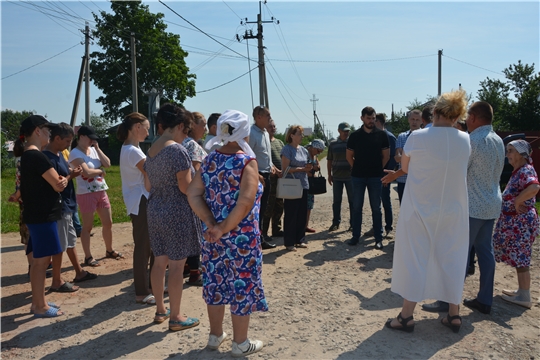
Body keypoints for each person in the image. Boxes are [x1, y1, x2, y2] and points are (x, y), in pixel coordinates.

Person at [382, 89, 471, 333]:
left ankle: (406, 316)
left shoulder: (417, 137)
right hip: (454, 209)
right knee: (452, 257)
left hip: (420, 208)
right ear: (456, 114)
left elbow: (407, 168)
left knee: (415, 259)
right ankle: (454, 314)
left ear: (435, 112)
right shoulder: (465, 139)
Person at [188, 109, 267, 357]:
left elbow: (193, 193)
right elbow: (244, 202)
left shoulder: (210, 159)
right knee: (240, 285)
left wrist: (214, 225)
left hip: (213, 237)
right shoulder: (247, 162)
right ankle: (240, 343)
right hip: (241, 238)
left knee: (216, 281)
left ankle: (215, 335)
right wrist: (223, 227)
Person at [423, 101, 505, 315]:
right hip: (491, 203)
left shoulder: (472, 142)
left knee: (453, 254)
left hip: (471, 206)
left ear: (475, 118)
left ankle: (445, 300)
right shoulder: (498, 141)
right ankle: (485, 299)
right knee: (486, 253)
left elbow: (458, 172)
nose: (466, 120)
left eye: (468, 117)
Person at [145, 103, 201, 331]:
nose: (185, 135)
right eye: (186, 130)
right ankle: (176, 316)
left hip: (155, 208)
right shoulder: (177, 150)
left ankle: (161, 309)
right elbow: (185, 187)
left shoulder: (151, 150)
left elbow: (148, 184)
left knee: (160, 262)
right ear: (179, 126)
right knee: (177, 266)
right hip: (176, 210)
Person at [16, 115, 66, 317]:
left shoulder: (27, 156)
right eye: (47, 130)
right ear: (37, 131)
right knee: (41, 262)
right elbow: (57, 184)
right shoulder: (37, 156)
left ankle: (39, 302)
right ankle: (39, 306)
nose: (50, 133)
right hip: (42, 216)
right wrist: (61, 181)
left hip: (36, 215)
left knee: (39, 261)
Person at [43, 123, 98, 291]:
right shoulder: (46, 157)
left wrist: (72, 171)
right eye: (67, 140)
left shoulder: (58, 154)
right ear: (57, 138)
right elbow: (58, 183)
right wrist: (72, 174)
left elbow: (65, 174)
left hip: (67, 205)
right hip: (58, 206)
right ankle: (56, 281)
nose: (69, 144)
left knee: (70, 241)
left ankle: (79, 272)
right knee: (60, 244)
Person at [493, 140, 539, 309]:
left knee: (522, 258)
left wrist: (518, 201)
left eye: (511, 151)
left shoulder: (525, 170)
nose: (508, 154)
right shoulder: (519, 171)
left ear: (520, 153)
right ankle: (521, 291)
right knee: (520, 257)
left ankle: (525, 295)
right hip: (516, 223)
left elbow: (534, 186)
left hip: (521, 223)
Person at [69, 125, 123, 267]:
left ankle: (109, 250)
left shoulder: (93, 149)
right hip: (86, 193)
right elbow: (86, 172)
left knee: (108, 222)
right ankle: (88, 257)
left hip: (100, 190)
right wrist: (100, 172)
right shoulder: (75, 153)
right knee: (87, 227)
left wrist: (97, 149)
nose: (92, 141)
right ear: (81, 137)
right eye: (90, 138)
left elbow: (108, 164)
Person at [117, 112, 156, 305]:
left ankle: (151, 284)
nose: (148, 131)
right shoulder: (133, 151)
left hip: (140, 199)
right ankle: (141, 291)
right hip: (141, 200)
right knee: (143, 247)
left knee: (150, 245)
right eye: (146, 127)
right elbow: (151, 174)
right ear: (137, 127)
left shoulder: (132, 149)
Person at [346, 107, 390, 250]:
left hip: (375, 177)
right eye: (369, 118)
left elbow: (386, 156)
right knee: (357, 206)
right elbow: (349, 156)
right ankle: (355, 236)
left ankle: (378, 238)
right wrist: (356, 167)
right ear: (362, 118)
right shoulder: (355, 136)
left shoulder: (382, 135)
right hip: (358, 176)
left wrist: (378, 168)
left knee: (376, 208)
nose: (371, 121)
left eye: (373, 118)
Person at [181, 111, 207, 286]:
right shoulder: (193, 146)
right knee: (195, 233)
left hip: (179, 194)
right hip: (193, 195)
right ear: (193, 126)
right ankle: (195, 272)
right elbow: (196, 172)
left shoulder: (179, 143)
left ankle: (184, 266)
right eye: (203, 124)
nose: (205, 128)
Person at [248, 106, 276, 249]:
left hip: (267, 174)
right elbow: (248, 156)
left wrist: (272, 165)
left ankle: (261, 237)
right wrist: (256, 174)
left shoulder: (265, 133)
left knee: (264, 208)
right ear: (258, 117)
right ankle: (255, 240)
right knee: (256, 209)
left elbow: (265, 153)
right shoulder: (251, 133)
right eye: (267, 115)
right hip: (256, 176)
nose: (269, 118)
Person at [281, 125, 313, 251]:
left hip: (303, 184)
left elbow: (306, 164)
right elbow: (285, 169)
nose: (301, 136)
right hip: (291, 186)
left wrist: (310, 167)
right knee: (291, 213)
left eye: (302, 134)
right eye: (299, 134)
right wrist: (301, 169)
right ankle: (289, 242)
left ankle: (300, 239)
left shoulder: (304, 150)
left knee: (301, 213)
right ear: (292, 135)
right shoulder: (287, 149)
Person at [327, 122, 353, 232]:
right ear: (339, 131)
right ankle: (336, 222)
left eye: (347, 131)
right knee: (337, 201)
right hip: (337, 177)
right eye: (344, 131)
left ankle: (353, 223)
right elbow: (329, 160)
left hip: (350, 177)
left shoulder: (351, 143)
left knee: (353, 201)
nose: (346, 133)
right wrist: (329, 175)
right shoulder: (333, 144)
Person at [262, 119, 285, 241]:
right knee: (268, 206)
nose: (273, 128)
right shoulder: (264, 142)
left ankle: (277, 229)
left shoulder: (279, 142)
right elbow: (266, 159)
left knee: (279, 205)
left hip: (280, 178)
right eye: (270, 126)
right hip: (270, 178)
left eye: (274, 126)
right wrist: (275, 169)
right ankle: (264, 232)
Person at [374, 113, 396, 239]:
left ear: (378, 122)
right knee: (375, 203)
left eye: (373, 120)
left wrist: (388, 174)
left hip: (384, 176)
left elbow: (392, 158)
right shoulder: (375, 136)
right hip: (374, 176)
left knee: (386, 202)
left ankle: (388, 228)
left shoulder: (389, 137)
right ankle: (376, 227)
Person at [394, 109, 422, 204]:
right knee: (404, 208)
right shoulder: (402, 136)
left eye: (417, 120)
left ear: (421, 121)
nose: (414, 122)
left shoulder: (425, 137)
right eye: (412, 119)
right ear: (409, 120)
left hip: (419, 181)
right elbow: (397, 158)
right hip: (403, 180)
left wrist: (405, 158)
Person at [305, 139, 325, 233]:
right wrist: (312, 168)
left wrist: (317, 167)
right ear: (313, 147)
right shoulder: (304, 152)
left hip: (311, 183)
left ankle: (306, 225)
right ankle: (299, 225)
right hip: (303, 182)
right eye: (318, 151)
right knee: (302, 206)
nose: (319, 153)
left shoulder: (314, 155)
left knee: (309, 205)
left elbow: (317, 163)